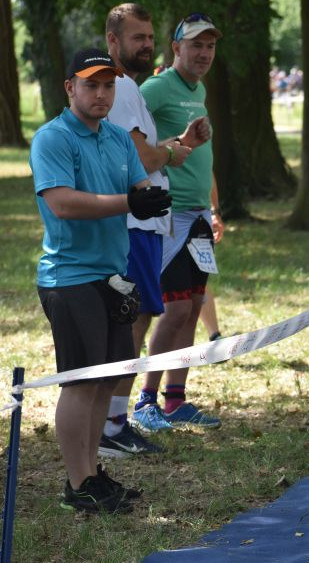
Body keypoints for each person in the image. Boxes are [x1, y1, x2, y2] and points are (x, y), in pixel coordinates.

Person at [30, 47, 171, 512]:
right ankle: (77, 485)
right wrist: (130, 203)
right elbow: (64, 203)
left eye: (108, 85)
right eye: (91, 84)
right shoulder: (52, 138)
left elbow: (138, 186)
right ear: (70, 87)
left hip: (114, 275)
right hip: (69, 277)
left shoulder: (115, 137)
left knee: (106, 379)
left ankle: (91, 474)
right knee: (81, 382)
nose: (101, 93)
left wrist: (149, 195)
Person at [102, 2, 212, 452]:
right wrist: (172, 152)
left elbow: (144, 150)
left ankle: (115, 423)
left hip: (152, 221)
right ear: (113, 41)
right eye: (137, 38)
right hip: (136, 223)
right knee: (136, 319)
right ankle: (115, 424)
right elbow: (143, 157)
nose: (144, 45)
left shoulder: (126, 87)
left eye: (148, 38)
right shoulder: (130, 89)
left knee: (141, 316)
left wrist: (174, 146)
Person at [133, 12, 225, 430]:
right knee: (173, 310)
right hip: (168, 214)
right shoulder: (154, 88)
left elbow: (203, 156)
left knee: (194, 308)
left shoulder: (198, 89)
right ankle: (145, 401)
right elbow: (132, 141)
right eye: (196, 45)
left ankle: (176, 399)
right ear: (176, 48)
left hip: (199, 216)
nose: (204, 53)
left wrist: (214, 207)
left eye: (209, 46)